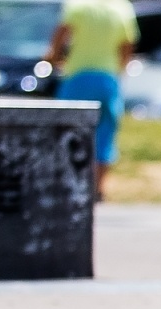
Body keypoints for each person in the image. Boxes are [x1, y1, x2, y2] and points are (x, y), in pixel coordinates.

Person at [44, 0, 137, 200]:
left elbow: (61, 33)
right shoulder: (122, 7)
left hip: (77, 75)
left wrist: (53, 58)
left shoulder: (78, 5)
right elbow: (127, 45)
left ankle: (65, 181)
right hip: (107, 77)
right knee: (105, 130)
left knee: (65, 129)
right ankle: (99, 187)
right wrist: (119, 71)